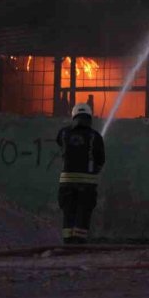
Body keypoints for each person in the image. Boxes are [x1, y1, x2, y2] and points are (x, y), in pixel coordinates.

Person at [56, 98, 106, 244]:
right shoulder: (95, 136)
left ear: (74, 116)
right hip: (87, 184)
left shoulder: (63, 133)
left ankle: (67, 241)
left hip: (66, 183)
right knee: (83, 213)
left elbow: (59, 143)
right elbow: (101, 159)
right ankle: (78, 245)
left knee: (68, 212)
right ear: (89, 118)